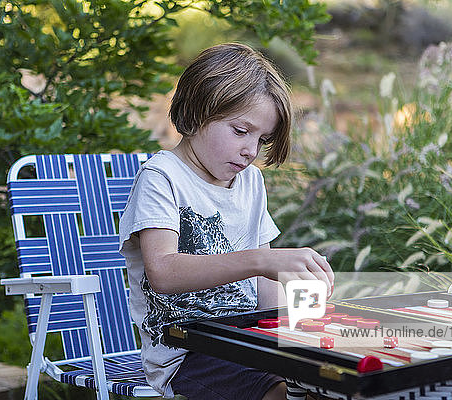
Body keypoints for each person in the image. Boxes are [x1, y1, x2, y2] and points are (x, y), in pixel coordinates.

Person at [119, 43, 334, 400]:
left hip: (248, 341)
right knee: (279, 393)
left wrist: (301, 324)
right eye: (240, 131)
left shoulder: (251, 182)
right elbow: (164, 273)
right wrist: (263, 261)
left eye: (262, 139)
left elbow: (266, 290)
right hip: (187, 354)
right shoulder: (162, 177)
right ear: (198, 111)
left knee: (331, 379)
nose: (251, 150)